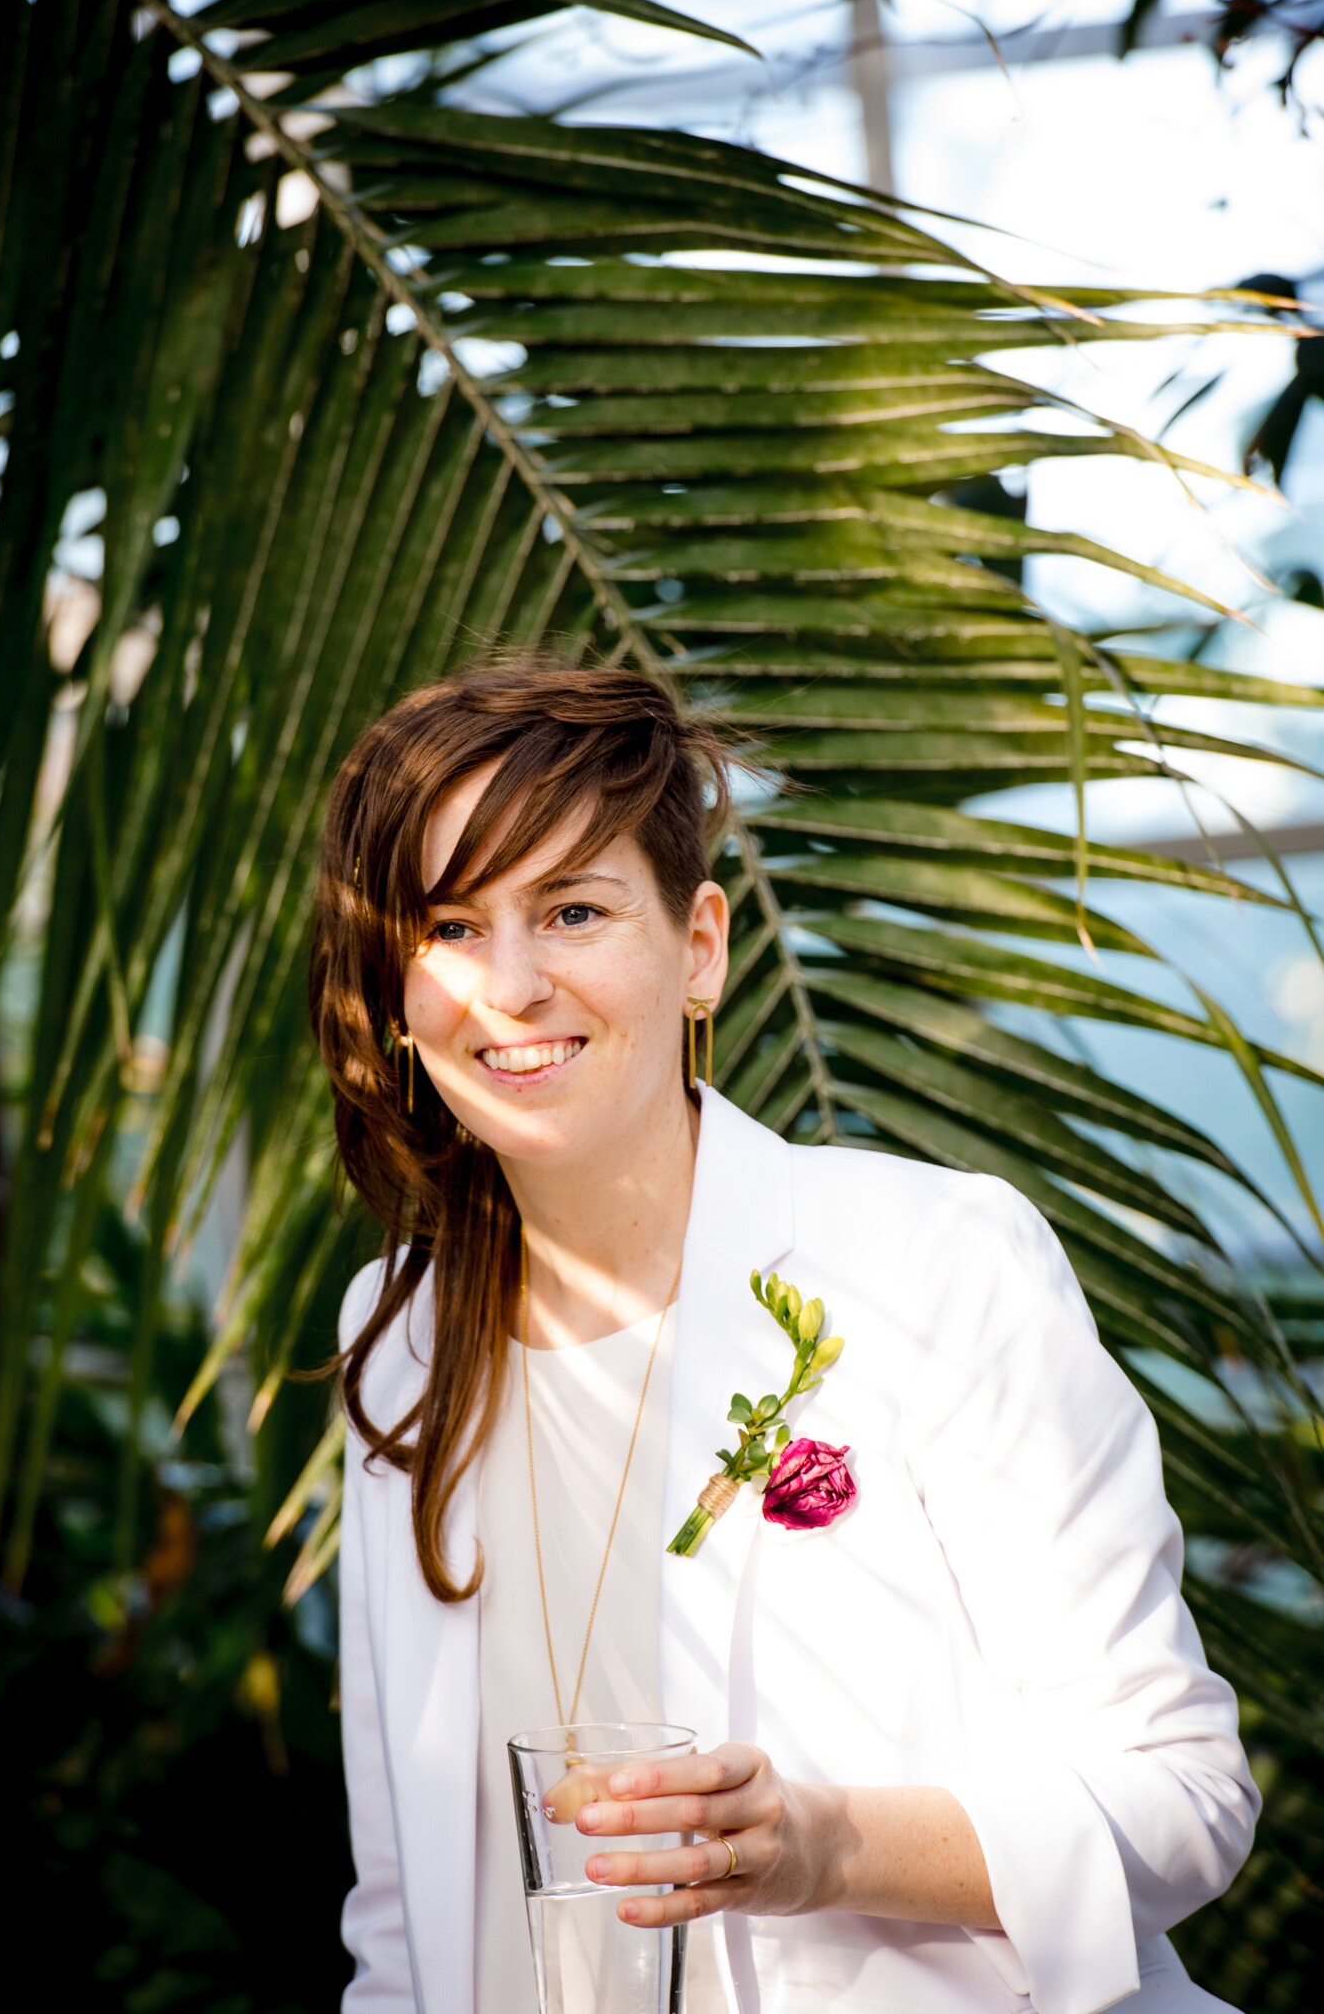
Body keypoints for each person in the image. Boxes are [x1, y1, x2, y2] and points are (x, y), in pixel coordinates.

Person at [310, 664, 1258, 2014]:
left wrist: (817, 1845)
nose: (509, 986)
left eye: (573, 909)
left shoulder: (932, 1263)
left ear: (701, 946)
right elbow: (404, 1918)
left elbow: (1183, 1797)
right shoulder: (396, 1338)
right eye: (452, 925)